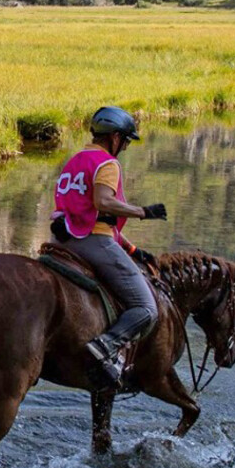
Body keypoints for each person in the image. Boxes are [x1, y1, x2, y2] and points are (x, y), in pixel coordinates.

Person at [49, 105, 169, 387]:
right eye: (125, 141)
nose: (125, 147)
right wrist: (143, 212)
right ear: (114, 137)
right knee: (146, 307)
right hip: (91, 242)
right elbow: (103, 203)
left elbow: (93, 213)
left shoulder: (76, 159)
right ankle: (104, 346)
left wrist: (132, 250)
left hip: (61, 241)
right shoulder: (107, 164)